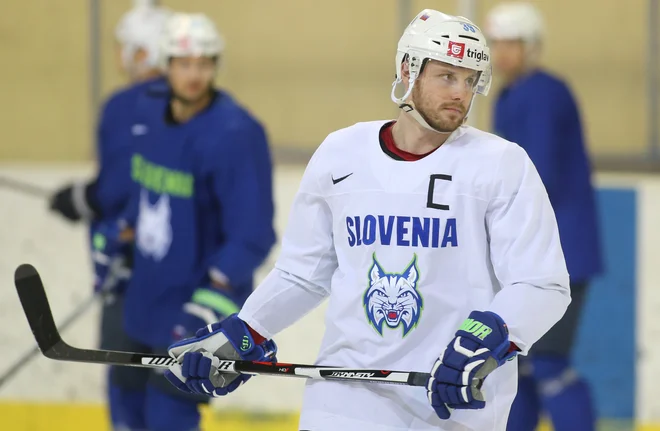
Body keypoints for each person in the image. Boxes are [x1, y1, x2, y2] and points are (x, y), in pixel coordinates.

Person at [164, 9, 571, 431]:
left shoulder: (501, 164)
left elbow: (543, 284)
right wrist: (248, 328)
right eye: (447, 76)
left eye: (470, 80)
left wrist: (491, 336)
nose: (461, 94)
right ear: (407, 69)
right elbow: (304, 273)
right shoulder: (342, 153)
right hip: (342, 399)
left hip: (450, 402)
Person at [112, 12, 276, 431]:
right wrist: (117, 237)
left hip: (193, 310)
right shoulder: (147, 116)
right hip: (142, 305)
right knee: (126, 412)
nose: (195, 74)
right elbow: (144, 192)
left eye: (204, 63)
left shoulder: (236, 133)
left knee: (169, 416)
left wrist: (211, 301)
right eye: (184, 63)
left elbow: (253, 234)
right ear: (167, 65)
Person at [47, 2, 173, 429]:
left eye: (125, 48)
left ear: (143, 52)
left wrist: (80, 199)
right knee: (174, 389)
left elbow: (118, 186)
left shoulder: (124, 105)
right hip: (182, 279)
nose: (119, 58)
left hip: (129, 273)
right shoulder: (198, 106)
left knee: (127, 383)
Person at [484, 3, 602, 431]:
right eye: (496, 43)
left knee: (548, 362)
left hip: (562, 251)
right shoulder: (512, 94)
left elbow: (536, 174)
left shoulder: (544, 93)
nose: (501, 54)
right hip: (539, 250)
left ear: (531, 47)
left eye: (510, 44)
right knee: (522, 362)